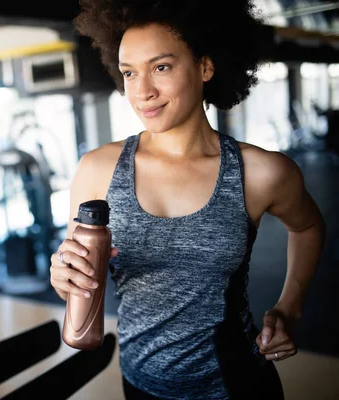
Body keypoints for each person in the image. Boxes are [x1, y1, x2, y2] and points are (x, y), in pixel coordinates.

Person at [49, 1, 326, 399]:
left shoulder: (261, 172)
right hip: (140, 384)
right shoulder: (97, 169)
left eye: (161, 67)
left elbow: (309, 225)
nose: (142, 91)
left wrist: (289, 307)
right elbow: (77, 279)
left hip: (236, 384)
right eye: (129, 73)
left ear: (205, 67)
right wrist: (62, 276)